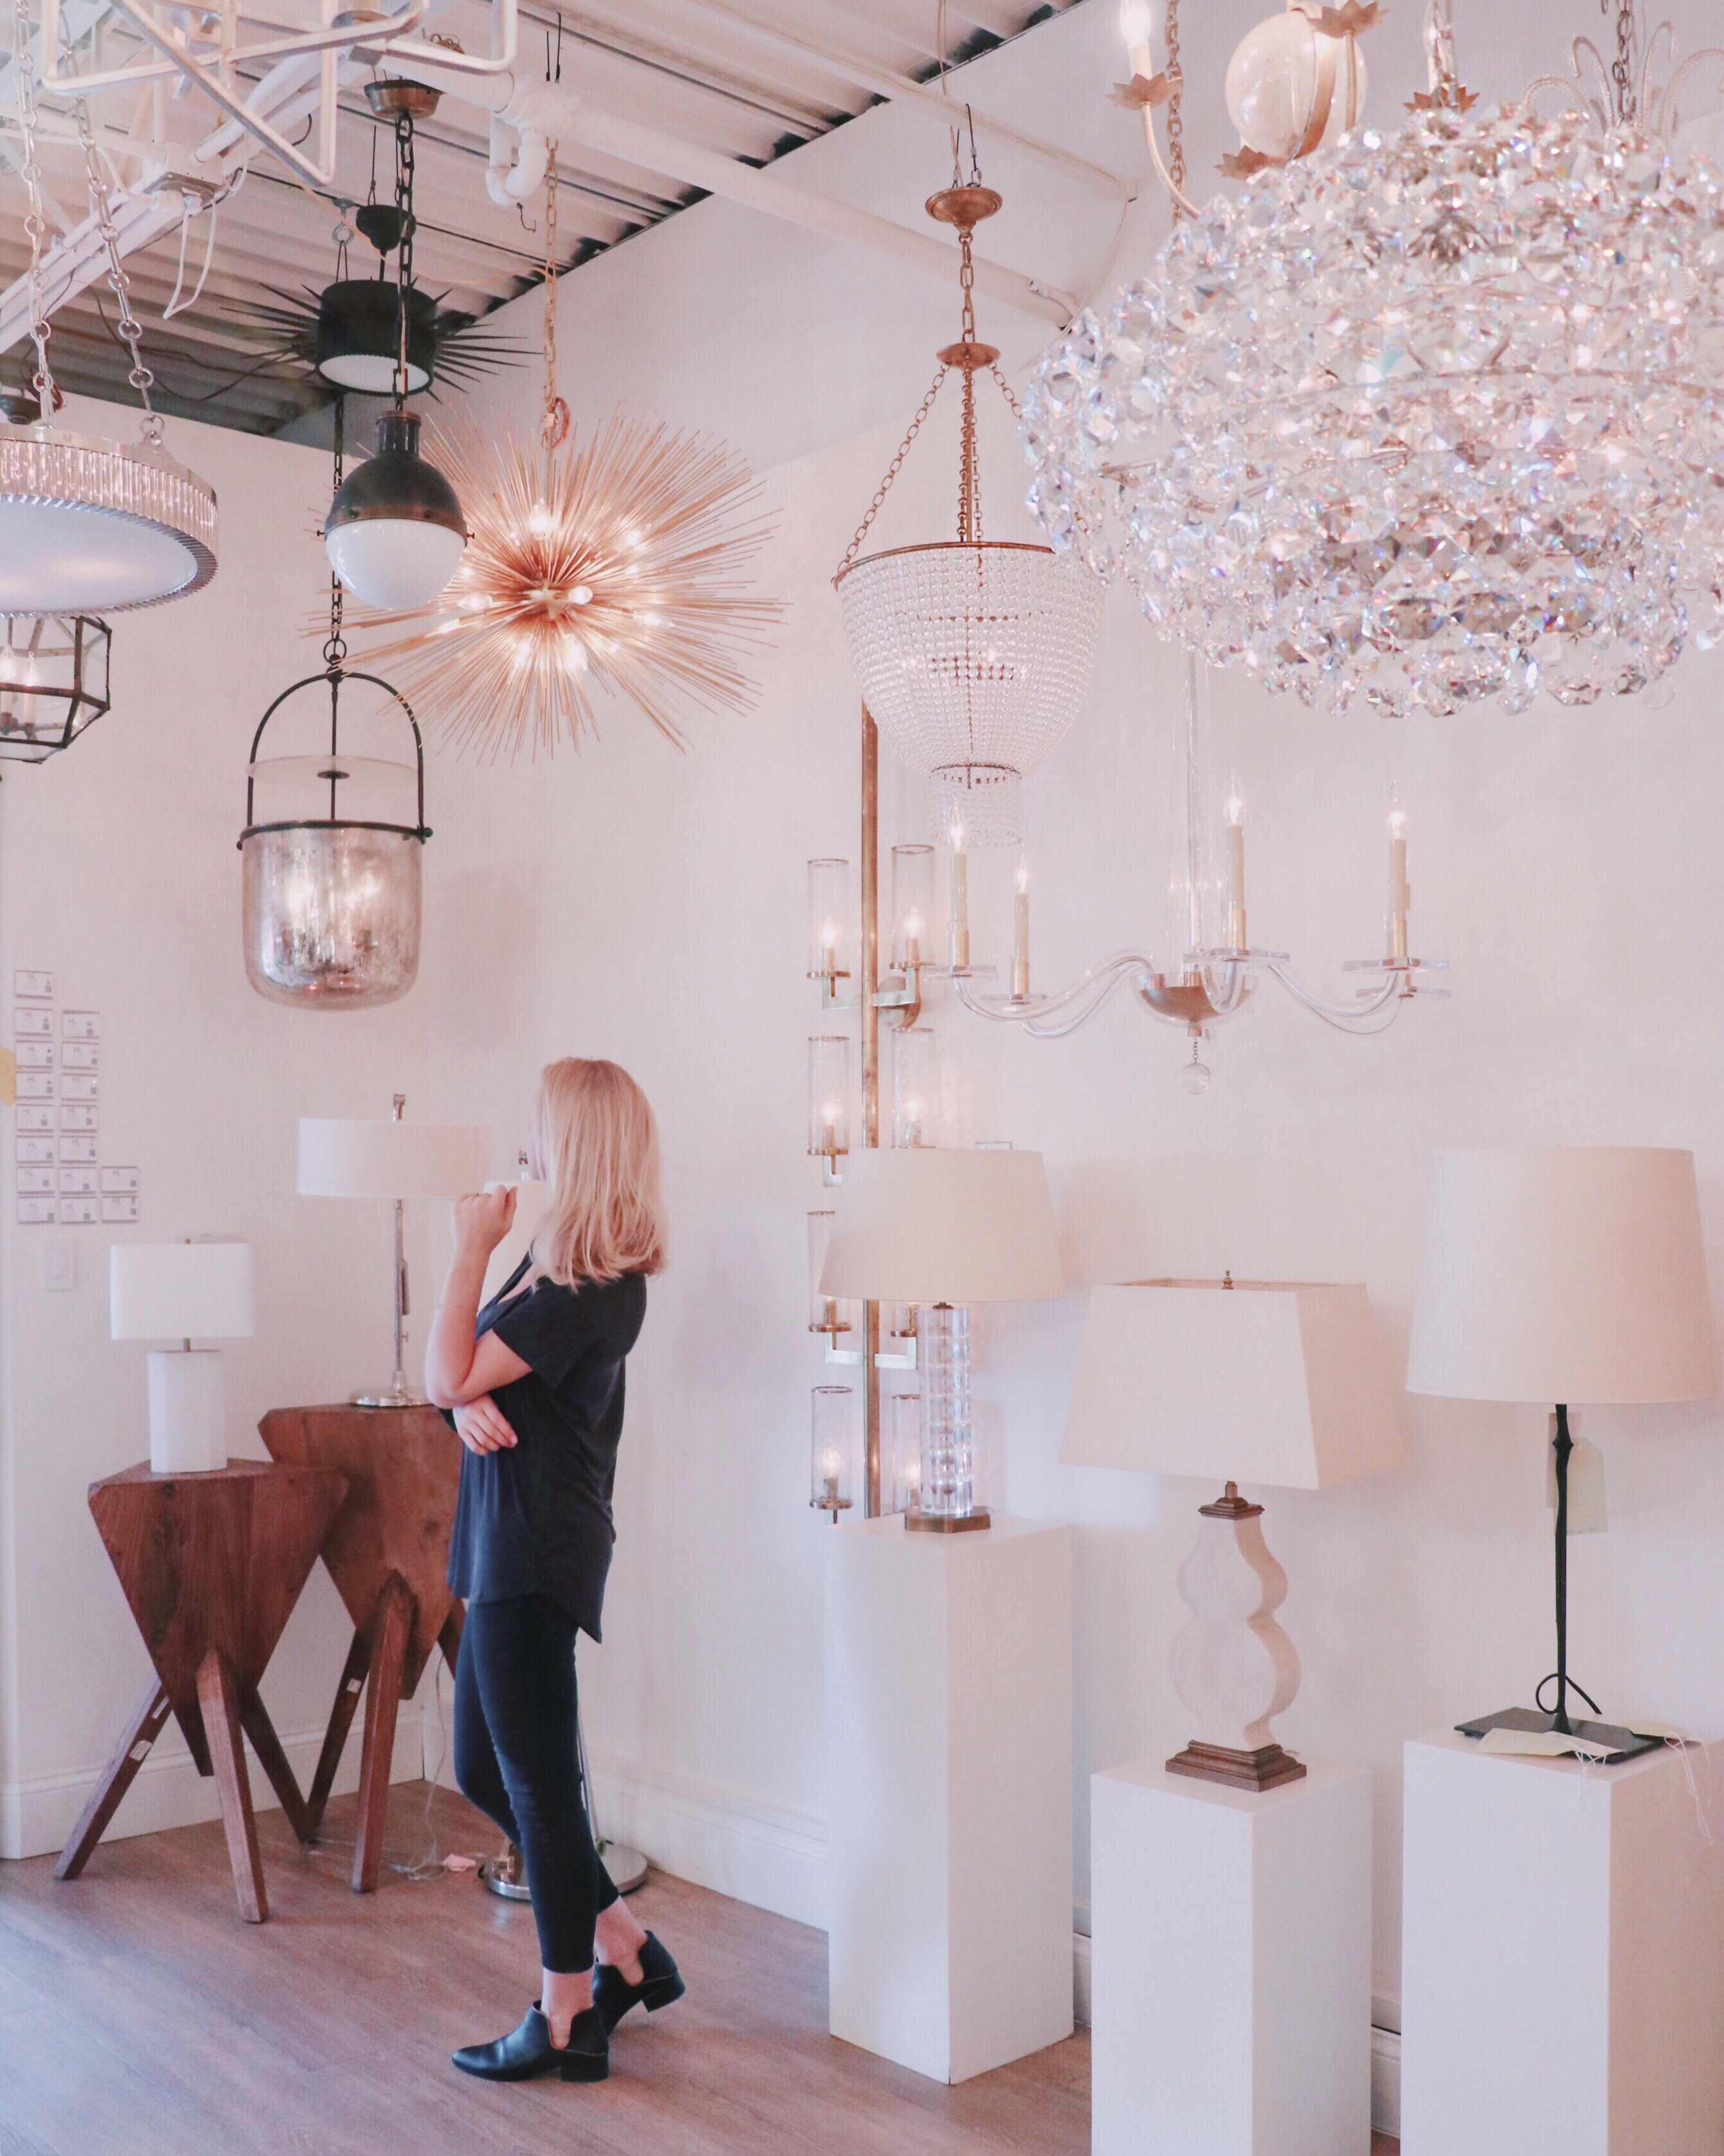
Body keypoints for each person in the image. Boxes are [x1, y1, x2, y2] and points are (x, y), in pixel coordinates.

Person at [427, 1057, 683, 2085]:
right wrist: (455, 1398)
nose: (524, 1137)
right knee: (488, 1766)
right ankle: (623, 1944)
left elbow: (452, 1361)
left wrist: (464, 1249)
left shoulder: (593, 1283)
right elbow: (455, 1372)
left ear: (575, 1140)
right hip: (502, 1536)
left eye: (539, 1122)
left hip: (537, 1545)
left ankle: (567, 2010)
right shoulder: (551, 1258)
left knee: (532, 1778)